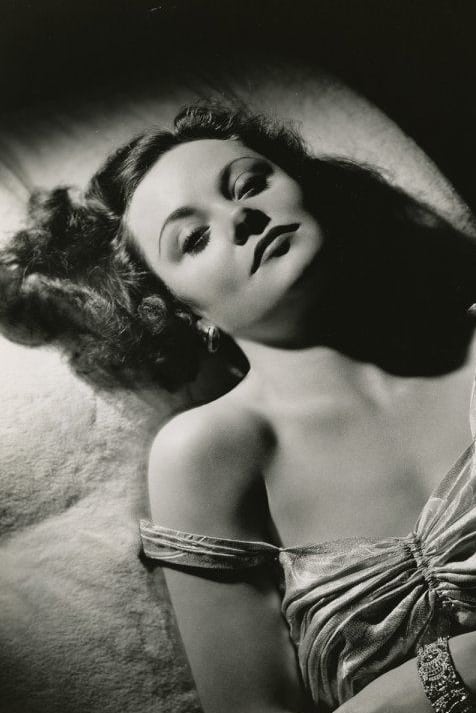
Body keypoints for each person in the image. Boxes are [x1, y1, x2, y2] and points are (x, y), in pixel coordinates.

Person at [1, 103, 476, 713]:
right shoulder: (206, 455)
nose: (241, 217)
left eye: (249, 185)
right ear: (181, 310)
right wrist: (448, 674)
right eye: (194, 239)